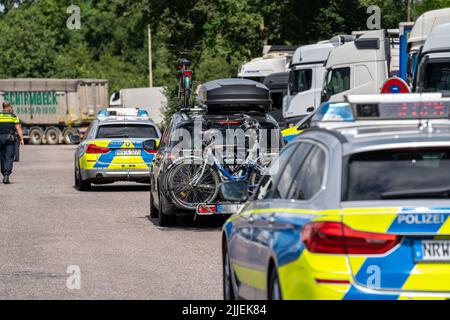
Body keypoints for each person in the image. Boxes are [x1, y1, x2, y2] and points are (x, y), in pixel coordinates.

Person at [0, 102, 24, 184]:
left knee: (2, 158)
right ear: (9, 107)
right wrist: (21, 139)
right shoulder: (13, 117)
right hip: (10, 140)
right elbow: (18, 129)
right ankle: (6, 175)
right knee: (9, 158)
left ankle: (4, 173)